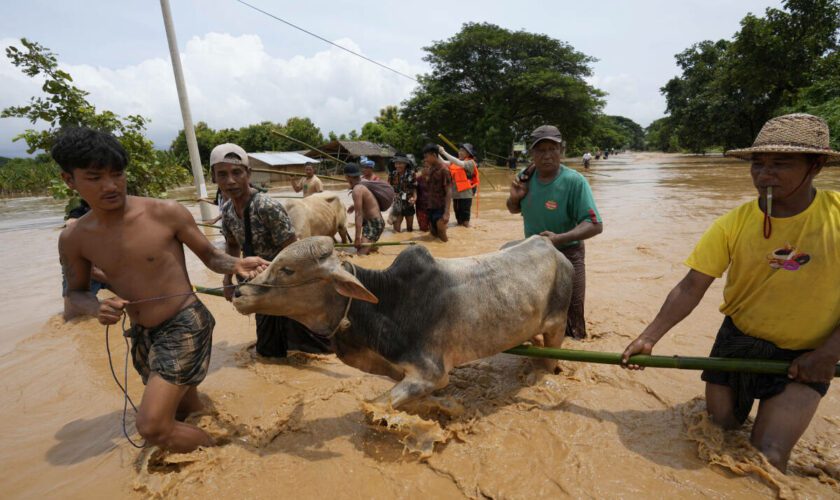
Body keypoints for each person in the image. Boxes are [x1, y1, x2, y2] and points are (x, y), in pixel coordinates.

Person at [621, 113, 840, 473]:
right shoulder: (733, 223)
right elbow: (691, 286)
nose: (764, 175)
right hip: (737, 342)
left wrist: (829, 353)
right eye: (758, 163)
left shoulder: (836, 217)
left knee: (765, 459)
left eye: (780, 164)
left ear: (815, 166)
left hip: (805, 357)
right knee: (718, 430)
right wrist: (648, 337)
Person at [55, 128, 268, 453]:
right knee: (185, 407)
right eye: (95, 177)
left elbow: (211, 256)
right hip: (142, 333)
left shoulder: (165, 213)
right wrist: (96, 307)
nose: (110, 186)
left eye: (117, 174)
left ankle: (229, 452)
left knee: (153, 426)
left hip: (185, 322)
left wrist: (235, 265)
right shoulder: (75, 238)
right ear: (69, 180)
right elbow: (75, 293)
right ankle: (205, 427)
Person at [214, 144, 332, 357]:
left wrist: (299, 288)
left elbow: (293, 249)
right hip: (257, 284)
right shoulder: (228, 212)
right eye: (222, 174)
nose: (230, 180)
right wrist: (227, 282)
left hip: (284, 283)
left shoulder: (266, 207)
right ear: (214, 178)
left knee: (311, 347)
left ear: (248, 174)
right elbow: (232, 246)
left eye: (236, 172)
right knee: (269, 350)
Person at [506, 125, 603, 338]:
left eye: (553, 149)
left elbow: (595, 224)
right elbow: (513, 209)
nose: (547, 155)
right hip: (533, 255)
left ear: (562, 151)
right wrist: (515, 197)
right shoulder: (525, 177)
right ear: (532, 153)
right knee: (531, 309)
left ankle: (574, 359)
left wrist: (558, 239)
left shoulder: (574, 181)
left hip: (568, 254)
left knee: (572, 314)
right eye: (541, 150)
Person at [61, 198, 109, 319]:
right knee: (75, 317)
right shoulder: (77, 222)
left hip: (106, 265)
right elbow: (91, 271)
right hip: (84, 269)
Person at [345, 163, 385, 255]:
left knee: (360, 255)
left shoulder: (357, 189)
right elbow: (367, 201)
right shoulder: (363, 182)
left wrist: (357, 238)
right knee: (364, 249)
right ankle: (372, 248)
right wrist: (354, 206)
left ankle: (369, 249)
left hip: (374, 223)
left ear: (348, 176)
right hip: (373, 222)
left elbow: (358, 215)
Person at [438, 143, 478, 227]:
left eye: (463, 151)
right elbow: (443, 162)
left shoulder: (471, 162)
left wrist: (444, 152)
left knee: (465, 222)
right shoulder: (454, 162)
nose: (460, 152)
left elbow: (460, 163)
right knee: (458, 220)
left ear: (468, 153)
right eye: (460, 150)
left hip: (466, 195)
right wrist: (436, 152)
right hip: (456, 195)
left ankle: (467, 234)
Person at [421, 143, 453, 242]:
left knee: (442, 234)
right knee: (434, 234)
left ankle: (448, 253)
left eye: (427, 157)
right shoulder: (430, 170)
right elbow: (429, 188)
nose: (425, 160)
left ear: (434, 155)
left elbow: (449, 191)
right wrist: (424, 177)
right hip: (431, 206)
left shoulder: (444, 170)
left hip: (440, 207)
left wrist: (447, 212)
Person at [387, 153, 417, 232]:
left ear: (405, 164)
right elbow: (388, 189)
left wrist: (414, 199)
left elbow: (414, 188)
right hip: (397, 204)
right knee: (396, 231)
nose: (397, 166)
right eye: (396, 163)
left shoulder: (412, 174)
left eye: (400, 163)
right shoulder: (392, 175)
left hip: (409, 204)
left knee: (410, 229)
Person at [414, 159, 431, 232]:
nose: (426, 168)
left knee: (434, 229)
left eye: (428, 167)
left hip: (433, 207)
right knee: (423, 229)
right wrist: (414, 198)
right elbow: (414, 190)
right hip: (421, 207)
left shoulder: (436, 178)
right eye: (424, 167)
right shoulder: (418, 179)